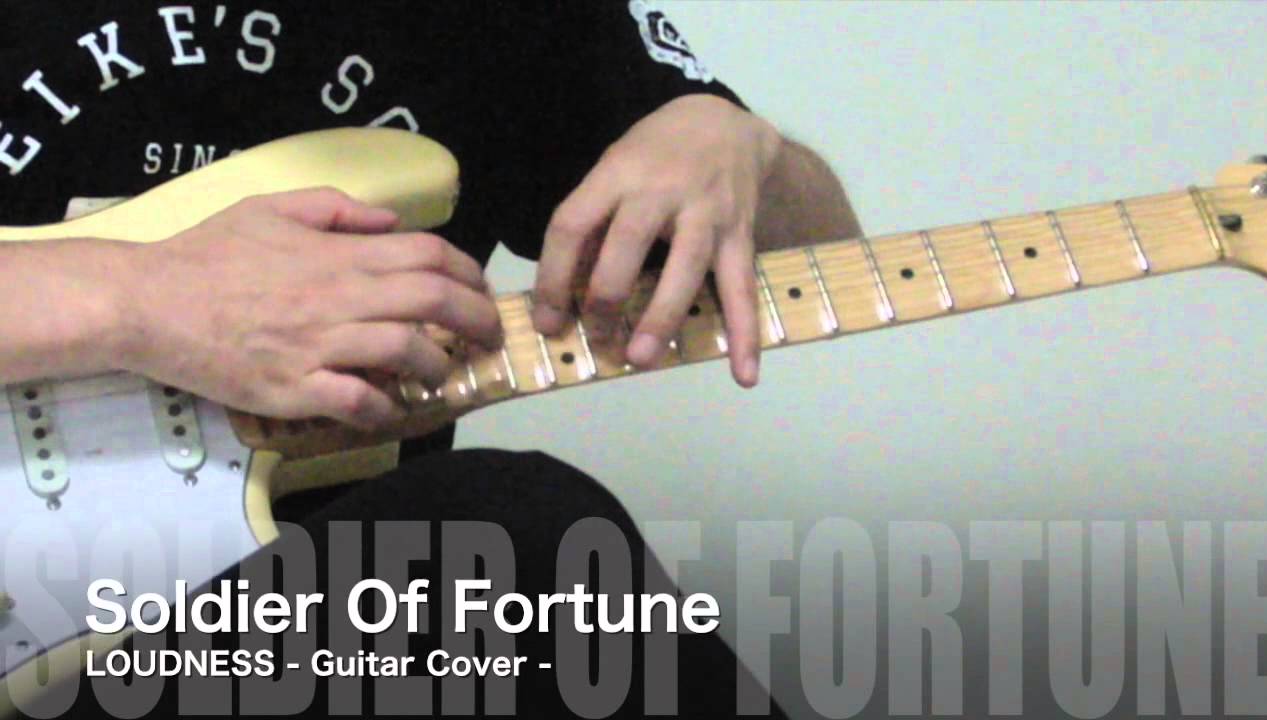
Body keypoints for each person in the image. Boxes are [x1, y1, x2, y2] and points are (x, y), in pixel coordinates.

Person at [0, 2, 860, 716]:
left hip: (325, 637)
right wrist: (140, 295)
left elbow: (815, 264)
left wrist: (741, 147)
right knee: (510, 530)